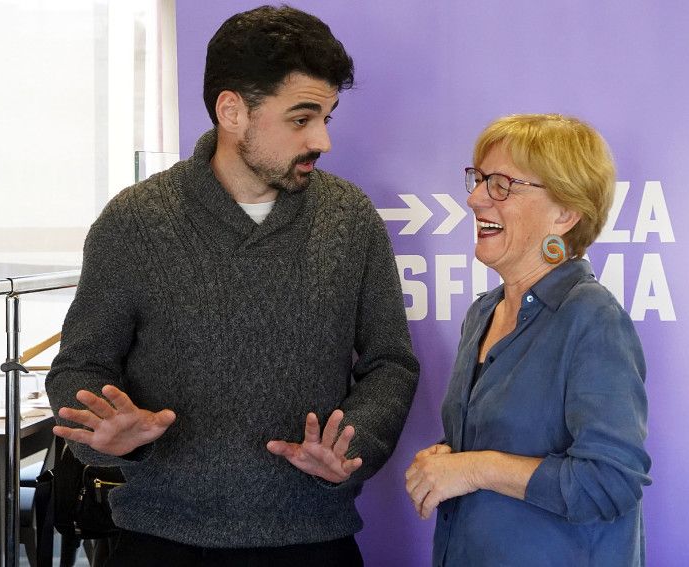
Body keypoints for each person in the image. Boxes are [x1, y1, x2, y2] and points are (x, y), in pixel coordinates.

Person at [46, 6, 419, 566]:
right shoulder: (136, 221)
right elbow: (79, 367)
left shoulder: (350, 218)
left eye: (327, 117)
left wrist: (353, 442)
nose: (323, 139)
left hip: (313, 539)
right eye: (301, 118)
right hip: (160, 542)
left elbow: (391, 362)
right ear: (232, 111)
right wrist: (107, 431)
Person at [404, 114, 652, 566]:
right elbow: (501, 436)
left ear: (565, 213)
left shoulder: (593, 319)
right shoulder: (484, 312)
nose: (476, 198)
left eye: (502, 184)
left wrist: (474, 467)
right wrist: (447, 458)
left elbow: (609, 483)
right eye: (478, 180)